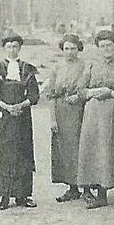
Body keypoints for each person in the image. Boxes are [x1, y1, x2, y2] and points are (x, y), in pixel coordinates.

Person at [76, 29, 114, 210]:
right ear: (97, 48)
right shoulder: (91, 66)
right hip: (95, 115)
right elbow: (80, 90)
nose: (106, 49)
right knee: (97, 151)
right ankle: (101, 194)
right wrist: (93, 92)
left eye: (109, 45)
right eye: (102, 46)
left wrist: (111, 93)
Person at [0, 32, 40, 209]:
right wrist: (7, 107)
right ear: (4, 48)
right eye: (9, 47)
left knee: (23, 153)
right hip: (2, 118)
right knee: (3, 154)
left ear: (20, 48)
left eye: (15, 46)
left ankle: (22, 196)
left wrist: (21, 105)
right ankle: (4, 196)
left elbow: (34, 95)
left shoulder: (27, 69)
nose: (12, 50)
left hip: (22, 119)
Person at [43, 33, 88, 201]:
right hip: (62, 111)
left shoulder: (85, 66)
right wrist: (53, 118)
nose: (70, 52)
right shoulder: (57, 67)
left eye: (73, 49)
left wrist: (78, 96)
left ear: (79, 49)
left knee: (81, 148)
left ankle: (87, 188)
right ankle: (72, 187)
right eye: (66, 49)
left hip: (79, 109)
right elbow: (51, 94)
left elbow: (86, 87)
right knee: (65, 150)